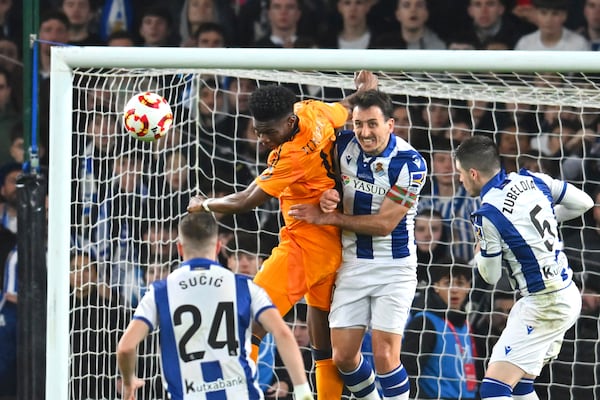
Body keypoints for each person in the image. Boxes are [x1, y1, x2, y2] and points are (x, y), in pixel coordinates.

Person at [187, 70, 379, 400]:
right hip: (331, 243)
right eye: (258, 131)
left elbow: (246, 200)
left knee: (247, 320)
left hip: (304, 245)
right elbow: (344, 108)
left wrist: (204, 205)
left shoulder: (292, 155)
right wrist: (363, 91)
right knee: (321, 339)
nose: (262, 139)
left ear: (289, 122)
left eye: (269, 132)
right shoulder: (312, 110)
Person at [289, 89, 428, 400]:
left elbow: (383, 224)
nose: (364, 132)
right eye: (358, 124)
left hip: (394, 268)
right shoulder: (343, 146)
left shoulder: (409, 163)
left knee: (384, 356)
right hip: (352, 264)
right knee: (343, 358)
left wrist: (330, 218)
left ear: (390, 124)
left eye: (373, 124)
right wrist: (328, 195)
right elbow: (328, 180)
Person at [453, 135, 594, 399]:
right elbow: (585, 202)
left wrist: (483, 250)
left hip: (544, 304)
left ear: (473, 173)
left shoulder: (488, 214)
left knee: (494, 388)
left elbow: (491, 275)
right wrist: (549, 218)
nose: (460, 180)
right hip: (565, 293)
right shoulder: (533, 180)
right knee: (520, 386)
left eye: (460, 173)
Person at [117, 212, 314, 400]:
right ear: (219, 247)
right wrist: (302, 389)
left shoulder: (160, 292)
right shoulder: (244, 286)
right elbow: (283, 334)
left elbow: (126, 347)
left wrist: (128, 381)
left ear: (179, 248)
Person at [402, 262, 479, 399]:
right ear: (436, 286)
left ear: (468, 287)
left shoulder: (467, 325)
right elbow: (409, 370)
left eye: (460, 284)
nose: (454, 290)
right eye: (447, 283)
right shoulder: (424, 322)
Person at [514, 0, 590, 50]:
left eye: (555, 14)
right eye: (543, 13)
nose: (548, 20)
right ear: (536, 14)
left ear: (564, 16)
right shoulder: (525, 44)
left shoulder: (579, 44)